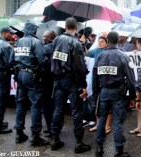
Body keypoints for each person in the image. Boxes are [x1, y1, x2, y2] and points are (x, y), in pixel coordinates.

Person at [50, 17, 91, 153]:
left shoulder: (56, 40)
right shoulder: (76, 43)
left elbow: (53, 58)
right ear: (76, 28)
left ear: (66, 26)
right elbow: (79, 67)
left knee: (58, 109)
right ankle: (79, 143)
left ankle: (55, 139)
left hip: (58, 79)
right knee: (77, 111)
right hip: (71, 81)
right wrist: (83, 85)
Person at [93, 31, 136, 157]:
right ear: (118, 41)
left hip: (104, 92)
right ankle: (119, 151)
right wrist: (132, 97)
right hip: (118, 92)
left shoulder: (100, 56)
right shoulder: (123, 56)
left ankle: (99, 148)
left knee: (101, 120)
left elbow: (94, 77)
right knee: (117, 122)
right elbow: (131, 79)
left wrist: (96, 94)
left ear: (108, 40)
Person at [13, 22, 49, 146]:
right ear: (33, 31)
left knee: (20, 103)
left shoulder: (19, 41)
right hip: (32, 75)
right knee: (35, 105)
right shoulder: (36, 42)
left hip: (19, 74)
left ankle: (19, 133)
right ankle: (35, 136)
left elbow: (12, 59)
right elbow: (43, 60)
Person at [87, 35, 113, 134]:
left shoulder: (109, 52)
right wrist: (82, 43)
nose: (100, 43)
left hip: (106, 81)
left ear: (107, 43)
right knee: (96, 103)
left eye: (102, 41)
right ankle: (98, 124)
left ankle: (107, 126)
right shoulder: (96, 50)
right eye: (99, 41)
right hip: (96, 80)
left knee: (107, 104)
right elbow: (86, 53)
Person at [0, 27, 15, 134]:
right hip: (2, 74)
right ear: (4, 33)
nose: (12, 36)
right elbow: (10, 62)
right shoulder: (6, 46)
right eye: (10, 34)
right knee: (1, 99)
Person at [42, 30, 56, 137]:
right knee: (56, 105)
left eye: (45, 36)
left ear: (50, 37)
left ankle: (51, 128)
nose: (43, 38)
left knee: (47, 105)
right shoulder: (59, 47)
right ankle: (55, 127)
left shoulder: (45, 48)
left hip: (47, 80)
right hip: (57, 79)